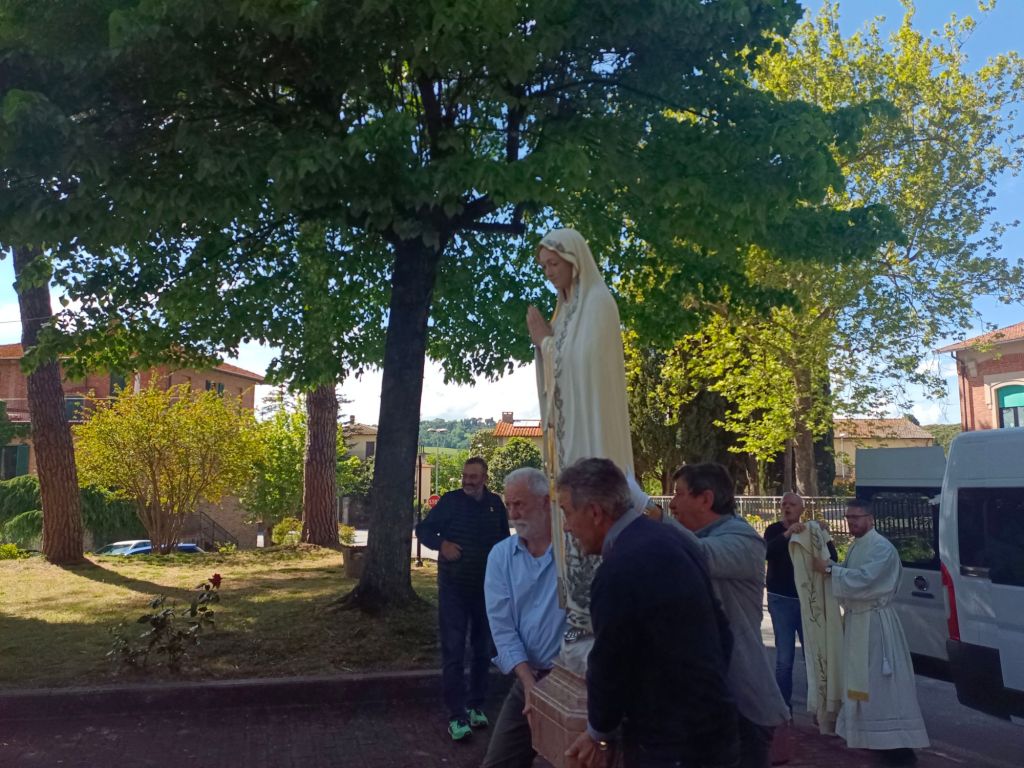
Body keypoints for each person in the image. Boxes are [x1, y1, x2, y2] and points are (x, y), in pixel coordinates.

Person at [559, 458, 739, 768]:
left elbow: (609, 663)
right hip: (714, 727)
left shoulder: (618, 569)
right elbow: (721, 631)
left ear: (595, 513)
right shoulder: (673, 540)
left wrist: (599, 732)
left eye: (566, 512)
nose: (566, 526)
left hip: (669, 743)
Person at [527, 228, 636, 667]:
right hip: (568, 438)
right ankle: (578, 615)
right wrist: (547, 344)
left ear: (575, 260)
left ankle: (597, 619)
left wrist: (544, 341)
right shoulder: (567, 310)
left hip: (591, 432)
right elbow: (561, 367)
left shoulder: (598, 304)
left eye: (554, 264)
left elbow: (587, 365)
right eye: (544, 267)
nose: (549, 273)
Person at [669, 463, 789, 768]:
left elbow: (697, 556)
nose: (671, 504)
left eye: (679, 494)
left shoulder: (743, 538)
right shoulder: (696, 536)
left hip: (741, 699)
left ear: (705, 499)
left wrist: (651, 517)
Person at [813, 499, 929, 765]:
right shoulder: (857, 546)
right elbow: (848, 574)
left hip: (876, 625)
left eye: (856, 517)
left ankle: (898, 749)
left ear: (871, 518)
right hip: (858, 623)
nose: (851, 522)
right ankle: (875, 741)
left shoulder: (882, 548)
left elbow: (866, 580)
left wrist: (830, 569)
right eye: (848, 518)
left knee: (882, 687)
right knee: (865, 685)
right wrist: (822, 539)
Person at [414, 456, 509, 742]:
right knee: (454, 650)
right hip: (453, 589)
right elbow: (423, 530)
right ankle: (456, 715)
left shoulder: (495, 505)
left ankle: (476, 705)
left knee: (482, 649)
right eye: (465, 476)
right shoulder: (450, 502)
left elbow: (505, 543)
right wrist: (442, 544)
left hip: (486, 590)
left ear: (485, 478)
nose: (468, 481)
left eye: (474, 477)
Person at [481, 468, 567, 768]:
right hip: (529, 677)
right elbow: (502, 628)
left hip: (572, 681)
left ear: (545, 502)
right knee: (498, 761)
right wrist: (529, 683)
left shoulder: (571, 552)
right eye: (509, 505)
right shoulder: (501, 556)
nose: (513, 514)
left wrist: (563, 673)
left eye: (519, 504)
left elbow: (584, 622)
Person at [764, 492, 838, 710]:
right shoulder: (774, 530)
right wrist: (787, 534)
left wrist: (825, 535)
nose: (787, 507)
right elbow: (766, 552)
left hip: (807, 599)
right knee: (784, 659)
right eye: (784, 504)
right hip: (781, 599)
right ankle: (783, 707)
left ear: (802, 509)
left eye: (792, 504)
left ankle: (817, 706)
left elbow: (831, 559)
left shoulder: (810, 530)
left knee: (813, 655)